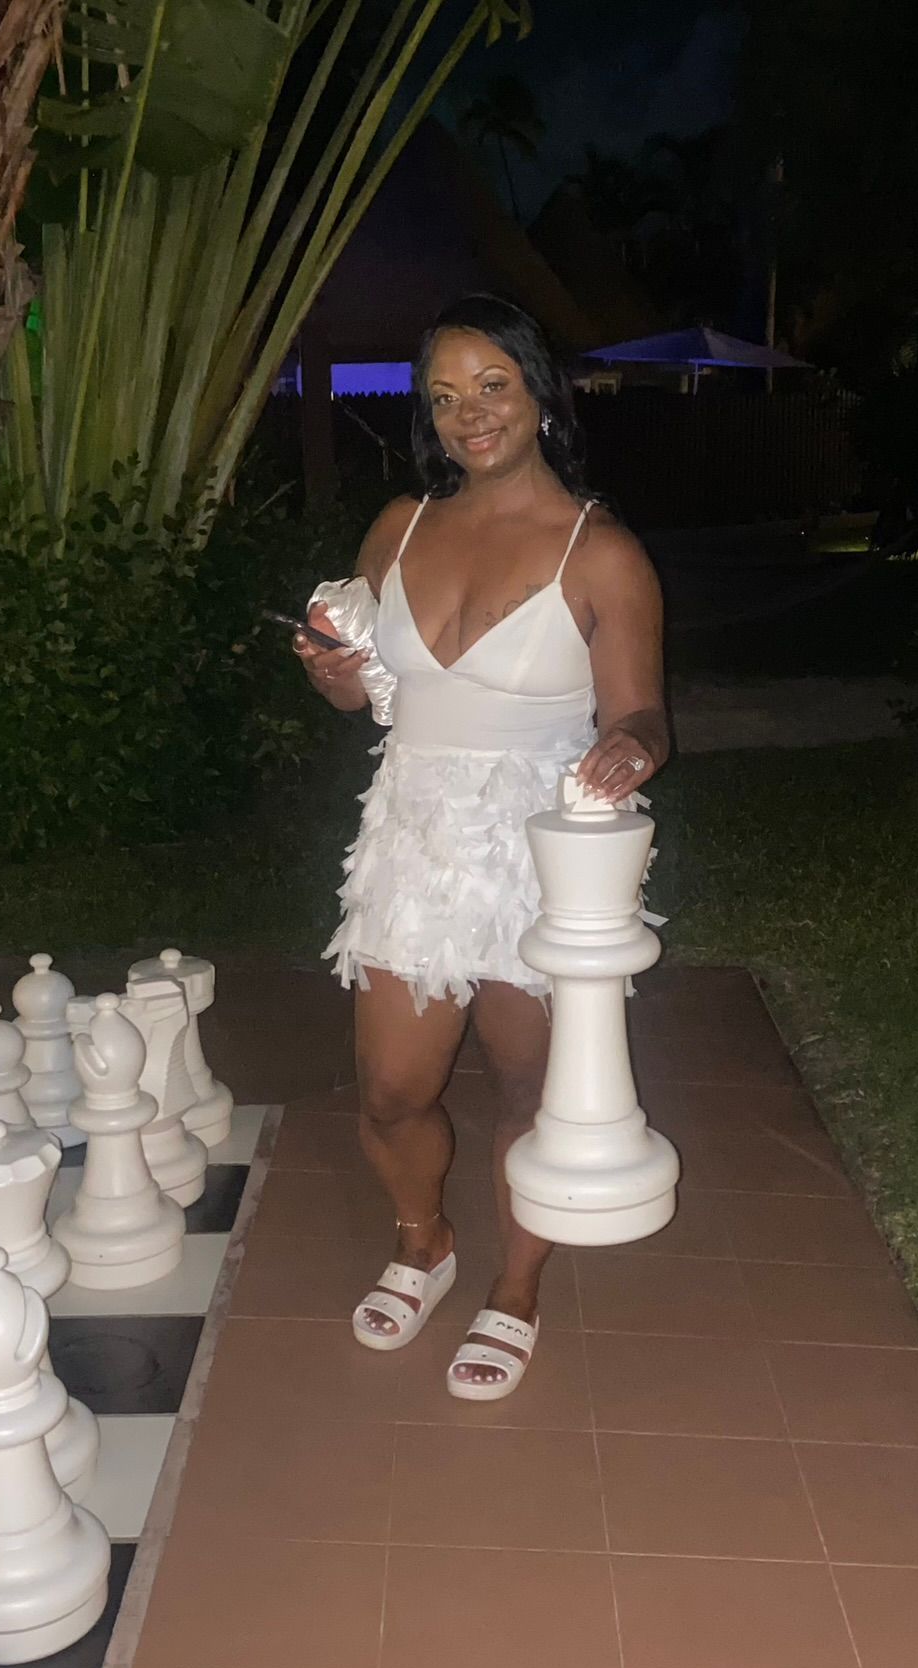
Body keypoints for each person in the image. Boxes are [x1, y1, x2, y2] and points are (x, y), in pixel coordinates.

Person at [292, 294, 668, 1399]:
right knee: (390, 1088)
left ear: (538, 393)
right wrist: (333, 674)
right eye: (446, 396)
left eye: (492, 385)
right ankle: (424, 1240)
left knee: (529, 1087)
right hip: (410, 839)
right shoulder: (398, 528)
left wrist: (629, 750)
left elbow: (643, 715)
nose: (470, 414)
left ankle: (516, 1286)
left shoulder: (602, 553)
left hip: (535, 854)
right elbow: (364, 693)